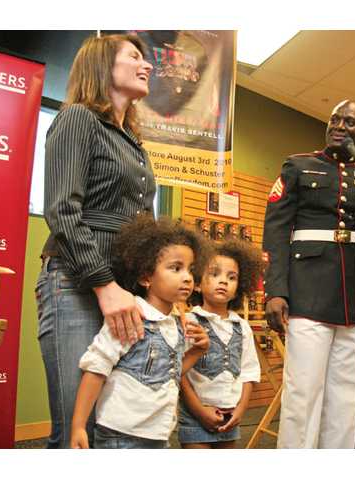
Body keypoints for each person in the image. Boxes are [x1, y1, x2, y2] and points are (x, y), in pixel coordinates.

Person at [262, 99, 355, 448]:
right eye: (335, 119)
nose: (339, 126)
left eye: (349, 122)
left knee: (346, 397)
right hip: (309, 294)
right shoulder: (299, 166)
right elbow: (275, 232)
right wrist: (275, 291)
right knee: (303, 393)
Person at [36, 33, 155, 448]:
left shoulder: (137, 147)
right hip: (76, 283)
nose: (148, 65)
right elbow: (62, 211)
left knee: (110, 426)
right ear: (104, 65)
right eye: (134, 56)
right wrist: (104, 285)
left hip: (123, 294)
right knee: (75, 429)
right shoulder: (77, 118)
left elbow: (146, 232)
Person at [69, 215, 210, 449]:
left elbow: (168, 371)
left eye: (190, 270)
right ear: (146, 277)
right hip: (120, 436)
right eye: (176, 268)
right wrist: (78, 425)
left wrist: (197, 352)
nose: (187, 277)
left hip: (159, 435)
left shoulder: (176, 322)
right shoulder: (131, 316)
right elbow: (96, 368)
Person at [178, 238, 263, 448]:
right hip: (195, 418)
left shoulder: (242, 327)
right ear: (197, 283)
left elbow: (249, 372)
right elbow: (179, 373)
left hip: (231, 418)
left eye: (231, 277)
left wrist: (241, 411)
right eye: (214, 274)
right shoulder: (189, 322)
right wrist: (199, 410)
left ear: (239, 286)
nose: (223, 281)